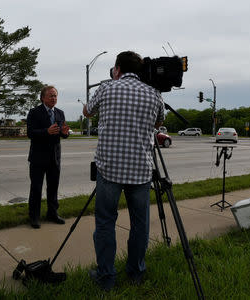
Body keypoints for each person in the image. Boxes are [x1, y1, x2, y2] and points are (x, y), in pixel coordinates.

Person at [83, 51, 165, 291]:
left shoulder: (107, 89)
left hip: (109, 169)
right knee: (140, 224)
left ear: (117, 69)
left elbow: (88, 111)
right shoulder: (154, 94)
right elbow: (158, 123)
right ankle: (136, 272)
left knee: (106, 223)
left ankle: (106, 276)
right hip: (140, 170)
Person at [27, 85, 70, 229]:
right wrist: (46, 131)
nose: (54, 98)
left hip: (55, 158)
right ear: (43, 97)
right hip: (38, 158)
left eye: (55, 96)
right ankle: (34, 217)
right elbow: (30, 133)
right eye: (51, 95)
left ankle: (52, 214)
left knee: (53, 188)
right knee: (36, 189)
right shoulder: (34, 112)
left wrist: (65, 132)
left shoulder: (60, 113)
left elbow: (63, 134)